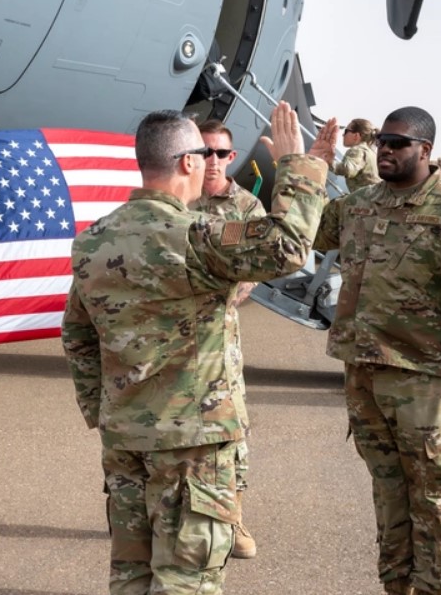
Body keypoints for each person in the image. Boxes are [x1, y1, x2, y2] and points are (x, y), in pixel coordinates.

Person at [62, 104, 337, 594]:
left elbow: (77, 336)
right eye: (202, 155)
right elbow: (288, 247)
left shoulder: (93, 241)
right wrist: (299, 165)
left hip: (124, 436)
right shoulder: (194, 236)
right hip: (192, 442)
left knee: (131, 573)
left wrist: (104, 411)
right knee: (187, 579)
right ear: (188, 163)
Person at [312, 106, 441, 595]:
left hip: (426, 381)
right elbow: (302, 235)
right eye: (381, 140)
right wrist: (307, 169)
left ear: (425, 151)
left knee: (435, 503)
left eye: (397, 143)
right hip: (364, 376)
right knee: (389, 498)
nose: (384, 149)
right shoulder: (357, 205)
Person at [191, 118, 267, 559]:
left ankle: (232, 519)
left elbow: (250, 276)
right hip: (170, 345)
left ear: (231, 157)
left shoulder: (245, 209)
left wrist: (210, 294)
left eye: (220, 153)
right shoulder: (177, 200)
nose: (212, 161)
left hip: (220, 344)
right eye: (204, 152)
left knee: (230, 433)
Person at [330, 117, 381, 191]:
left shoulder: (357, 150)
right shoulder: (372, 153)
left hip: (366, 199)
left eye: (346, 131)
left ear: (356, 135)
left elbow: (348, 169)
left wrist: (329, 162)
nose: (343, 135)